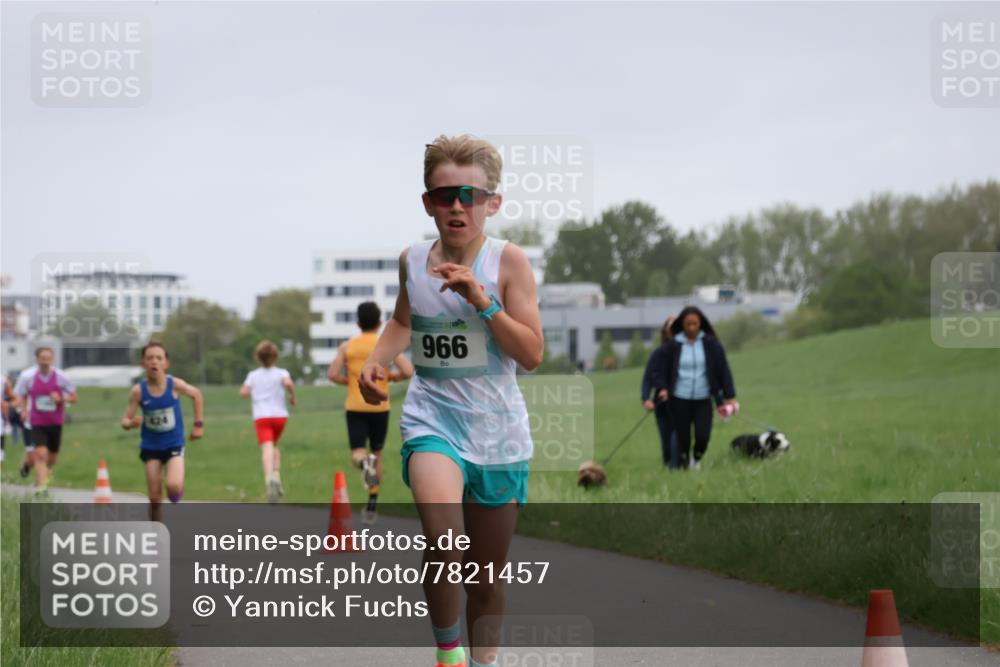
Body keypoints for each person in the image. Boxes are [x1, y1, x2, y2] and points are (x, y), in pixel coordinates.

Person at [359, 134, 543, 667]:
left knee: (485, 579)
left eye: (469, 195)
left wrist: (482, 301)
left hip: (497, 431)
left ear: (492, 203)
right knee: (446, 543)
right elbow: (402, 321)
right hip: (432, 420)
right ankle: (449, 656)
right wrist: (377, 361)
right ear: (428, 204)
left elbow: (530, 353)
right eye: (444, 196)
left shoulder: (508, 264)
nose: (457, 206)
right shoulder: (412, 262)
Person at [327, 301, 413, 523]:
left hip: (355, 406)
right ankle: (372, 506)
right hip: (380, 407)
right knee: (377, 456)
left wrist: (350, 382)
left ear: (357, 322)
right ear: (379, 322)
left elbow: (332, 374)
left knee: (358, 453)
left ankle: (363, 463)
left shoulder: (348, 346)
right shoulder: (383, 344)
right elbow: (407, 370)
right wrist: (391, 377)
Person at [121, 341, 204, 521]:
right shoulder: (138, 391)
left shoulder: (174, 385)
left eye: (159, 358)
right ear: (143, 364)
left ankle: (176, 492)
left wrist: (198, 425)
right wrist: (130, 423)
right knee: (154, 497)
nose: (154, 362)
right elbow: (125, 419)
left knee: (173, 486)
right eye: (150, 358)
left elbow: (197, 394)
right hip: (151, 446)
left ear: (166, 363)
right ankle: (157, 530)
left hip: (173, 443)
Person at [653, 306, 737, 470]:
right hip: (679, 398)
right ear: (682, 325)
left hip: (703, 398)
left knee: (702, 436)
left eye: (695, 324)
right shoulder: (673, 346)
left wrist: (729, 396)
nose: (692, 327)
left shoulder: (711, 344)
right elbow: (660, 370)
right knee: (682, 438)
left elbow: (723, 370)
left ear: (701, 324)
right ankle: (683, 467)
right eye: (688, 324)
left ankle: (696, 459)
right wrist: (663, 388)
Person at [13, 347, 77, 497]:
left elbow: (74, 397)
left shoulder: (61, 377)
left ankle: (37, 473)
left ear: (52, 359)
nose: (45, 361)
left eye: (48, 358)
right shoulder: (28, 376)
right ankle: (41, 489)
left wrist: (61, 399)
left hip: (55, 422)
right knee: (41, 455)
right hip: (36, 421)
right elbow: (21, 395)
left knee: (52, 458)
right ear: (37, 359)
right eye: (42, 358)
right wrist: (23, 410)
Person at [241, 340, 296, 502]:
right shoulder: (281, 373)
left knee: (266, 448)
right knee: (274, 446)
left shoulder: (253, 375)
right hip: (280, 416)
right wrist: (292, 396)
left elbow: (243, 392)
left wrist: (251, 391)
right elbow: (288, 383)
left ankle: (269, 480)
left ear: (258, 357)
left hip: (262, 417)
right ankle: (276, 475)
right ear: (275, 356)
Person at [642, 316, 678, 468]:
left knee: (678, 435)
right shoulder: (657, 353)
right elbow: (648, 378)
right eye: (670, 327)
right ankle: (669, 466)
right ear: (665, 332)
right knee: (666, 440)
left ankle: (676, 468)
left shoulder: (689, 352)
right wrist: (646, 398)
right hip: (662, 404)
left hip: (683, 402)